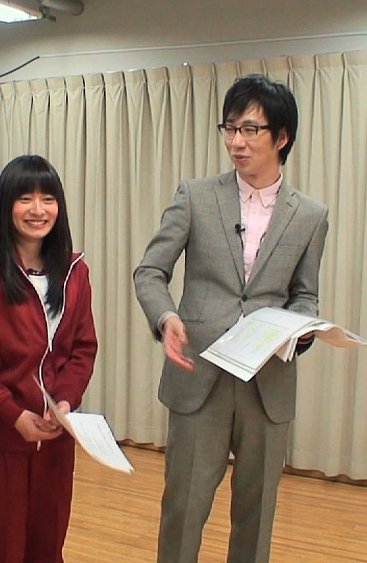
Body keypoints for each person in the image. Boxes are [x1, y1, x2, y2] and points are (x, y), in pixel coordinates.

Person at [133, 74, 330, 563]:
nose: (236, 142)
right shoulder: (195, 196)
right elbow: (150, 271)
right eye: (229, 128)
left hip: (268, 380)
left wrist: (300, 332)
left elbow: (305, 296)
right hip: (199, 374)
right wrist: (166, 318)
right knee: (183, 509)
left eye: (250, 130)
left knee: (256, 516)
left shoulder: (310, 215)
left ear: (281, 138)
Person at [0, 154, 98, 562]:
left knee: (47, 548)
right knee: (0, 550)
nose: (37, 210)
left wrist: (64, 403)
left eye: (48, 199)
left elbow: (82, 348)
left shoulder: (74, 270)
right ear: (6, 205)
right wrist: (13, 413)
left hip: (54, 436)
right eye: (25, 199)